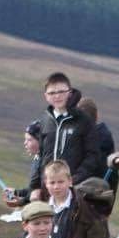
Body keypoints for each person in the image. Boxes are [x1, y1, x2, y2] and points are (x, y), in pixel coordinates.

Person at [27, 72, 106, 201]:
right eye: (52, 93)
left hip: (75, 192)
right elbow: (40, 156)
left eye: (62, 92)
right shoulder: (45, 120)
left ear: (70, 93)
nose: (57, 96)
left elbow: (93, 156)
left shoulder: (84, 120)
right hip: (47, 191)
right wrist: (34, 187)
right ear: (45, 96)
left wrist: (73, 180)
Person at [3, 122, 43, 208]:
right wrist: (17, 192)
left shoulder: (45, 162)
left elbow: (42, 190)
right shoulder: (38, 158)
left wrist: (20, 202)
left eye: (29, 140)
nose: (25, 143)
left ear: (40, 140)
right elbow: (34, 188)